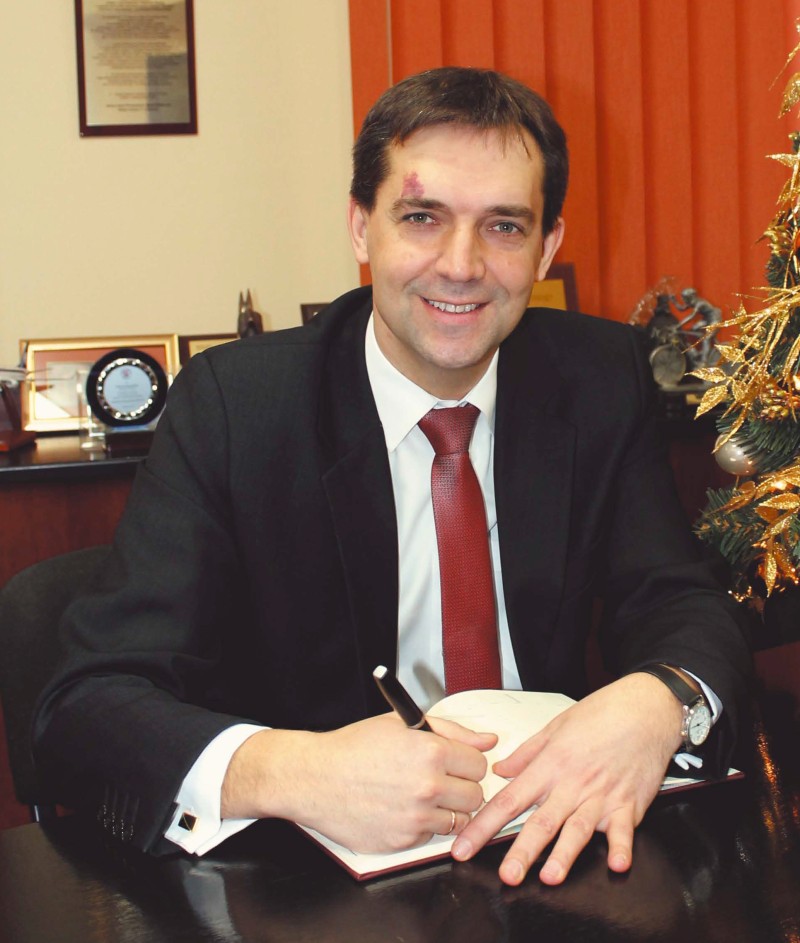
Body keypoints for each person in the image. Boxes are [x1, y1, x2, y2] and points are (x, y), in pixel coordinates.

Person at [33, 66, 750, 887]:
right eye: (421, 217)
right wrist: (291, 770)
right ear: (360, 227)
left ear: (547, 246)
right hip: (307, 887)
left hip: (548, 855)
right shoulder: (239, 408)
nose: (461, 265)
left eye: (504, 226)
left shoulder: (596, 379)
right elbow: (84, 707)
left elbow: (678, 599)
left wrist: (658, 700)